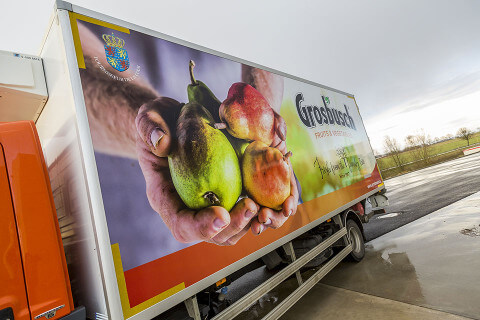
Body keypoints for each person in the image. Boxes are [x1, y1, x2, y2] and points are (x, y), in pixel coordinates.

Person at [78, 23, 298, 246]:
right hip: (135, 205)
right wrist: (146, 130)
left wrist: (262, 118)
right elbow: (70, 63)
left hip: (230, 133)